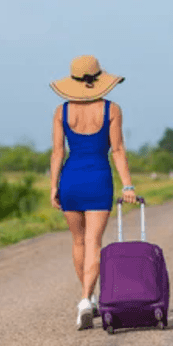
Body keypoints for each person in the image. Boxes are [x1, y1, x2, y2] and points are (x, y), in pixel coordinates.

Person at [49, 55, 137, 331]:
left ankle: (87, 298)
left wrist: (54, 186)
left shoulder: (62, 111)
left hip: (71, 180)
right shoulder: (112, 109)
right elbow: (117, 150)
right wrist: (128, 185)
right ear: (99, 79)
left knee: (78, 242)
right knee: (93, 243)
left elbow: (58, 152)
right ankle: (86, 300)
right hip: (99, 179)